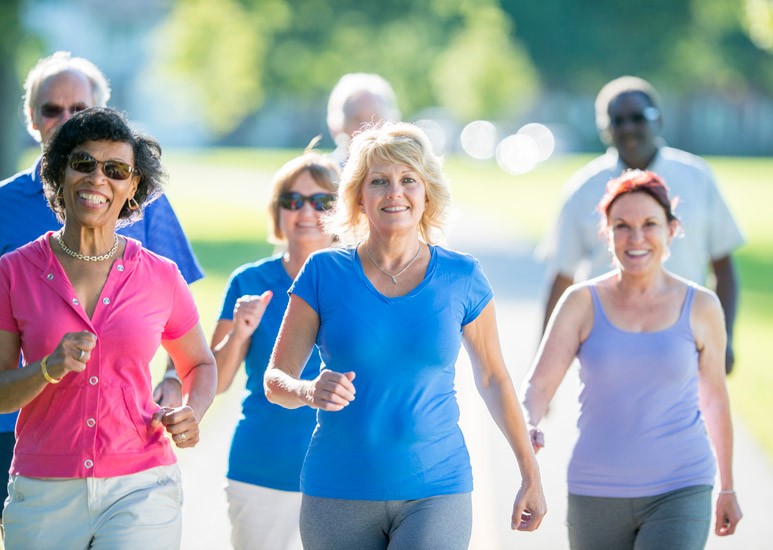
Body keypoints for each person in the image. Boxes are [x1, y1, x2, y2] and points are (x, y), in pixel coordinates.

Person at [264, 122, 546, 549]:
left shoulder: (462, 275)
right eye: (379, 181)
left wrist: (530, 473)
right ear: (360, 196)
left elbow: (493, 378)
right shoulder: (323, 273)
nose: (394, 192)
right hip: (337, 489)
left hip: (437, 488)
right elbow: (275, 381)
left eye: (408, 180)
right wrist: (307, 389)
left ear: (426, 192)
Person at [0, 107, 217, 548]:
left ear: (133, 186)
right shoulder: (13, 272)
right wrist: (46, 368)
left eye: (116, 169)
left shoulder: (160, 275)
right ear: (59, 173)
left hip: (142, 486)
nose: (98, 178)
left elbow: (198, 363)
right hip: (43, 490)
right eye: (84, 163)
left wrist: (193, 411)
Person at [523, 170, 742, 549]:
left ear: (672, 230)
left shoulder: (702, 305)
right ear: (605, 233)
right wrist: (528, 421)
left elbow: (715, 400)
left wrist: (728, 486)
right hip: (595, 488)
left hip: (681, 485)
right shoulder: (580, 302)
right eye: (622, 226)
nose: (636, 237)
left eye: (650, 224)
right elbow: (540, 383)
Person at [538, 76, 744, 373]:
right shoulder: (583, 188)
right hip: (607, 346)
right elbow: (561, 277)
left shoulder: (697, 177)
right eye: (617, 120)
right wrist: (544, 363)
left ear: (658, 120)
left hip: (685, 342)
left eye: (638, 117)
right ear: (604, 128)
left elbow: (723, 266)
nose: (628, 128)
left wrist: (724, 339)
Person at [210, 151, 340, 550]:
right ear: (278, 210)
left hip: (342, 475)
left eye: (322, 202)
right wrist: (240, 332)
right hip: (260, 469)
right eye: (293, 200)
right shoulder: (248, 281)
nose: (305, 211)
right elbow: (214, 381)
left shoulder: (361, 280)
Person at [326, 73, 401, 166]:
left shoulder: (403, 169)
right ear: (340, 125)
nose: (367, 127)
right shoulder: (327, 174)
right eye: (356, 119)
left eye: (375, 118)